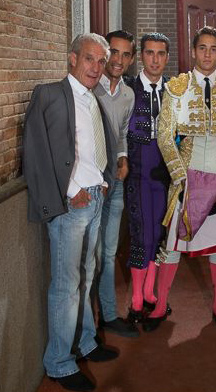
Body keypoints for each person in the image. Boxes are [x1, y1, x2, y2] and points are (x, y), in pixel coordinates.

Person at [23, 34, 118, 391]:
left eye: (101, 61)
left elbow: (93, 148)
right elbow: (35, 149)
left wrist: (102, 182)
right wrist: (69, 191)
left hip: (96, 197)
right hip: (70, 204)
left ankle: (85, 343)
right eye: (90, 59)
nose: (96, 67)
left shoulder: (94, 100)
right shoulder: (49, 94)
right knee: (66, 285)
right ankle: (59, 363)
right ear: (73, 59)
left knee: (87, 275)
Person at [142, 26, 216, 333]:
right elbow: (164, 135)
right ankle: (161, 305)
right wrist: (180, 176)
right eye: (202, 48)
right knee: (173, 245)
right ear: (193, 50)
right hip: (184, 178)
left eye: (213, 49)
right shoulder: (177, 87)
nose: (207, 54)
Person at [93, 30, 138, 337]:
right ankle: (86, 325)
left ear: (131, 59)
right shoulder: (88, 87)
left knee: (108, 253)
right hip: (89, 184)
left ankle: (108, 316)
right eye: (114, 52)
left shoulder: (129, 95)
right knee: (89, 257)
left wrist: (123, 158)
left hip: (116, 182)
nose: (118, 60)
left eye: (125, 54)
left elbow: (122, 133)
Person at [125, 33, 172, 324]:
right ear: (141, 55)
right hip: (137, 168)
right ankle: (136, 297)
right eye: (150, 53)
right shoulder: (128, 88)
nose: (155, 59)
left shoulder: (174, 89)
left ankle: (149, 291)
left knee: (159, 231)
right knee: (141, 231)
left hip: (166, 170)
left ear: (167, 57)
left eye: (161, 53)